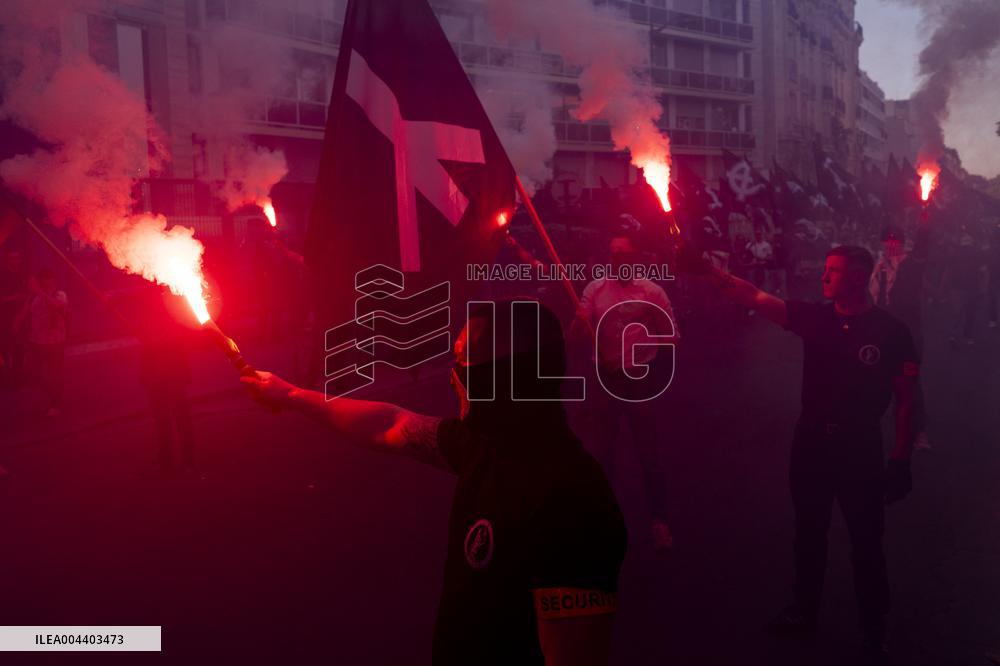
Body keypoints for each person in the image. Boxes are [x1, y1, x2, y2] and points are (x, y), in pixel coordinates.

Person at [242, 300, 627, 666]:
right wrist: (290, 394)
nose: (453, 375)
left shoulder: (570, 499)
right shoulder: (483, 446)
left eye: (463, 360)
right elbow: (390, 424)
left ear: (507, 374)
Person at [679, 243, 918, 665]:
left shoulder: (891, 332)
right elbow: (754, 296)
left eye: (834, 271)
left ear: (858, 278)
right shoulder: (815, 318)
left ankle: (873, 628)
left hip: (859, 447)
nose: (823, 277)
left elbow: (907, 402)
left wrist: (901, 459)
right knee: (809, 533)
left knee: (866, 541)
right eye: (826, 269)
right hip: (811, 444)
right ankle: (804, 611)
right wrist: (707, 267)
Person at [573, 231, 679, 551]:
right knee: (603, 451)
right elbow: (573, 336)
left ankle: (659, 520)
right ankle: (606, 518)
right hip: (605, 379)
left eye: (623, 252)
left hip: (638, 380)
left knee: (649, 454)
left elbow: (672, 337)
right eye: (613, 251)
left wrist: (645, 355)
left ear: (636, 257)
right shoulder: (594, 289)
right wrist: (580, 321)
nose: (616, 257)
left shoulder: (651, 292)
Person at [138, 287, 197, 477]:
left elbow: (178, 340)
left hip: (173, 372)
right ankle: (166, 460)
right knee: (162, 419)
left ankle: (188, 460)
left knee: (180, 417)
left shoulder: (174, 307)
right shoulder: (147, 312)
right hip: (155, 374)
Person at [22, 267, 67, 417]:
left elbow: (58, 306)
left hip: (55, 342)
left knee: (54, 374)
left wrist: (39, 292)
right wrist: (16, 323)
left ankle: (56, 404)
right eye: (43, 279)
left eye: (49, 279)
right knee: (34, 373)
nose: (47, 282)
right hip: (36, 342)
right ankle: (50, 397)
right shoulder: (33, 297)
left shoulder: (60, 294)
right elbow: (25, 312)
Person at [0, 248, 28, 386]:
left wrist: (21, 317)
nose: (16, 261)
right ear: (7, 260)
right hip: (5, 318)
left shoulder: (23, 276)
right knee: (6, 349)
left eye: (17, 258)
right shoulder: (3, 277)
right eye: (12, 258)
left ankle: (17, 378)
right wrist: (17, 296)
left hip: (21, 317)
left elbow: (28, 296)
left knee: (19, 348)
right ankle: (5, 377)